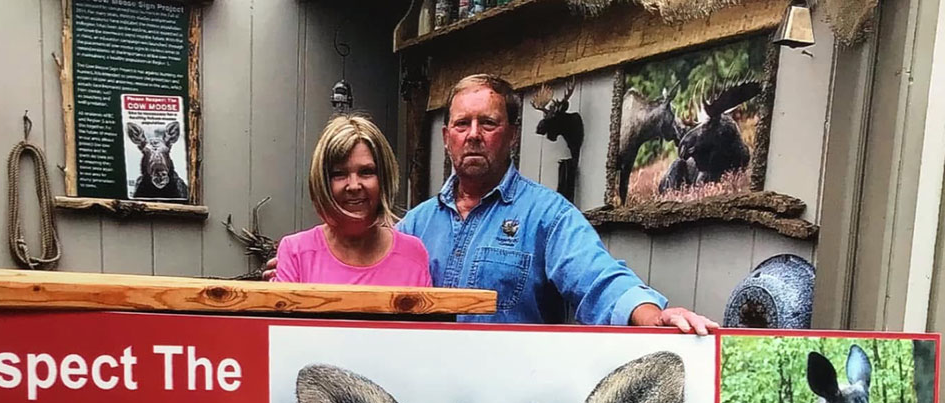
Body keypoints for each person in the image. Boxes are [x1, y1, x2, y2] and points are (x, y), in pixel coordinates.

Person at [266, 75, 714, 334]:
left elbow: (598, 279)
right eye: (462, 124)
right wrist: (297, 270)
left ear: (513, 134)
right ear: (447, 138)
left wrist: (651, 314)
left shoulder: (548, 217)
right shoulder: (414, 227)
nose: (474, 135)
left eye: (489, 123)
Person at [272, 113, 431, 287]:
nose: (354, 186)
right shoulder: (296, 253)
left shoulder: (413, 254)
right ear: (322, 181)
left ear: (384, 177)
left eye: (366, 172)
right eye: (339, 174)